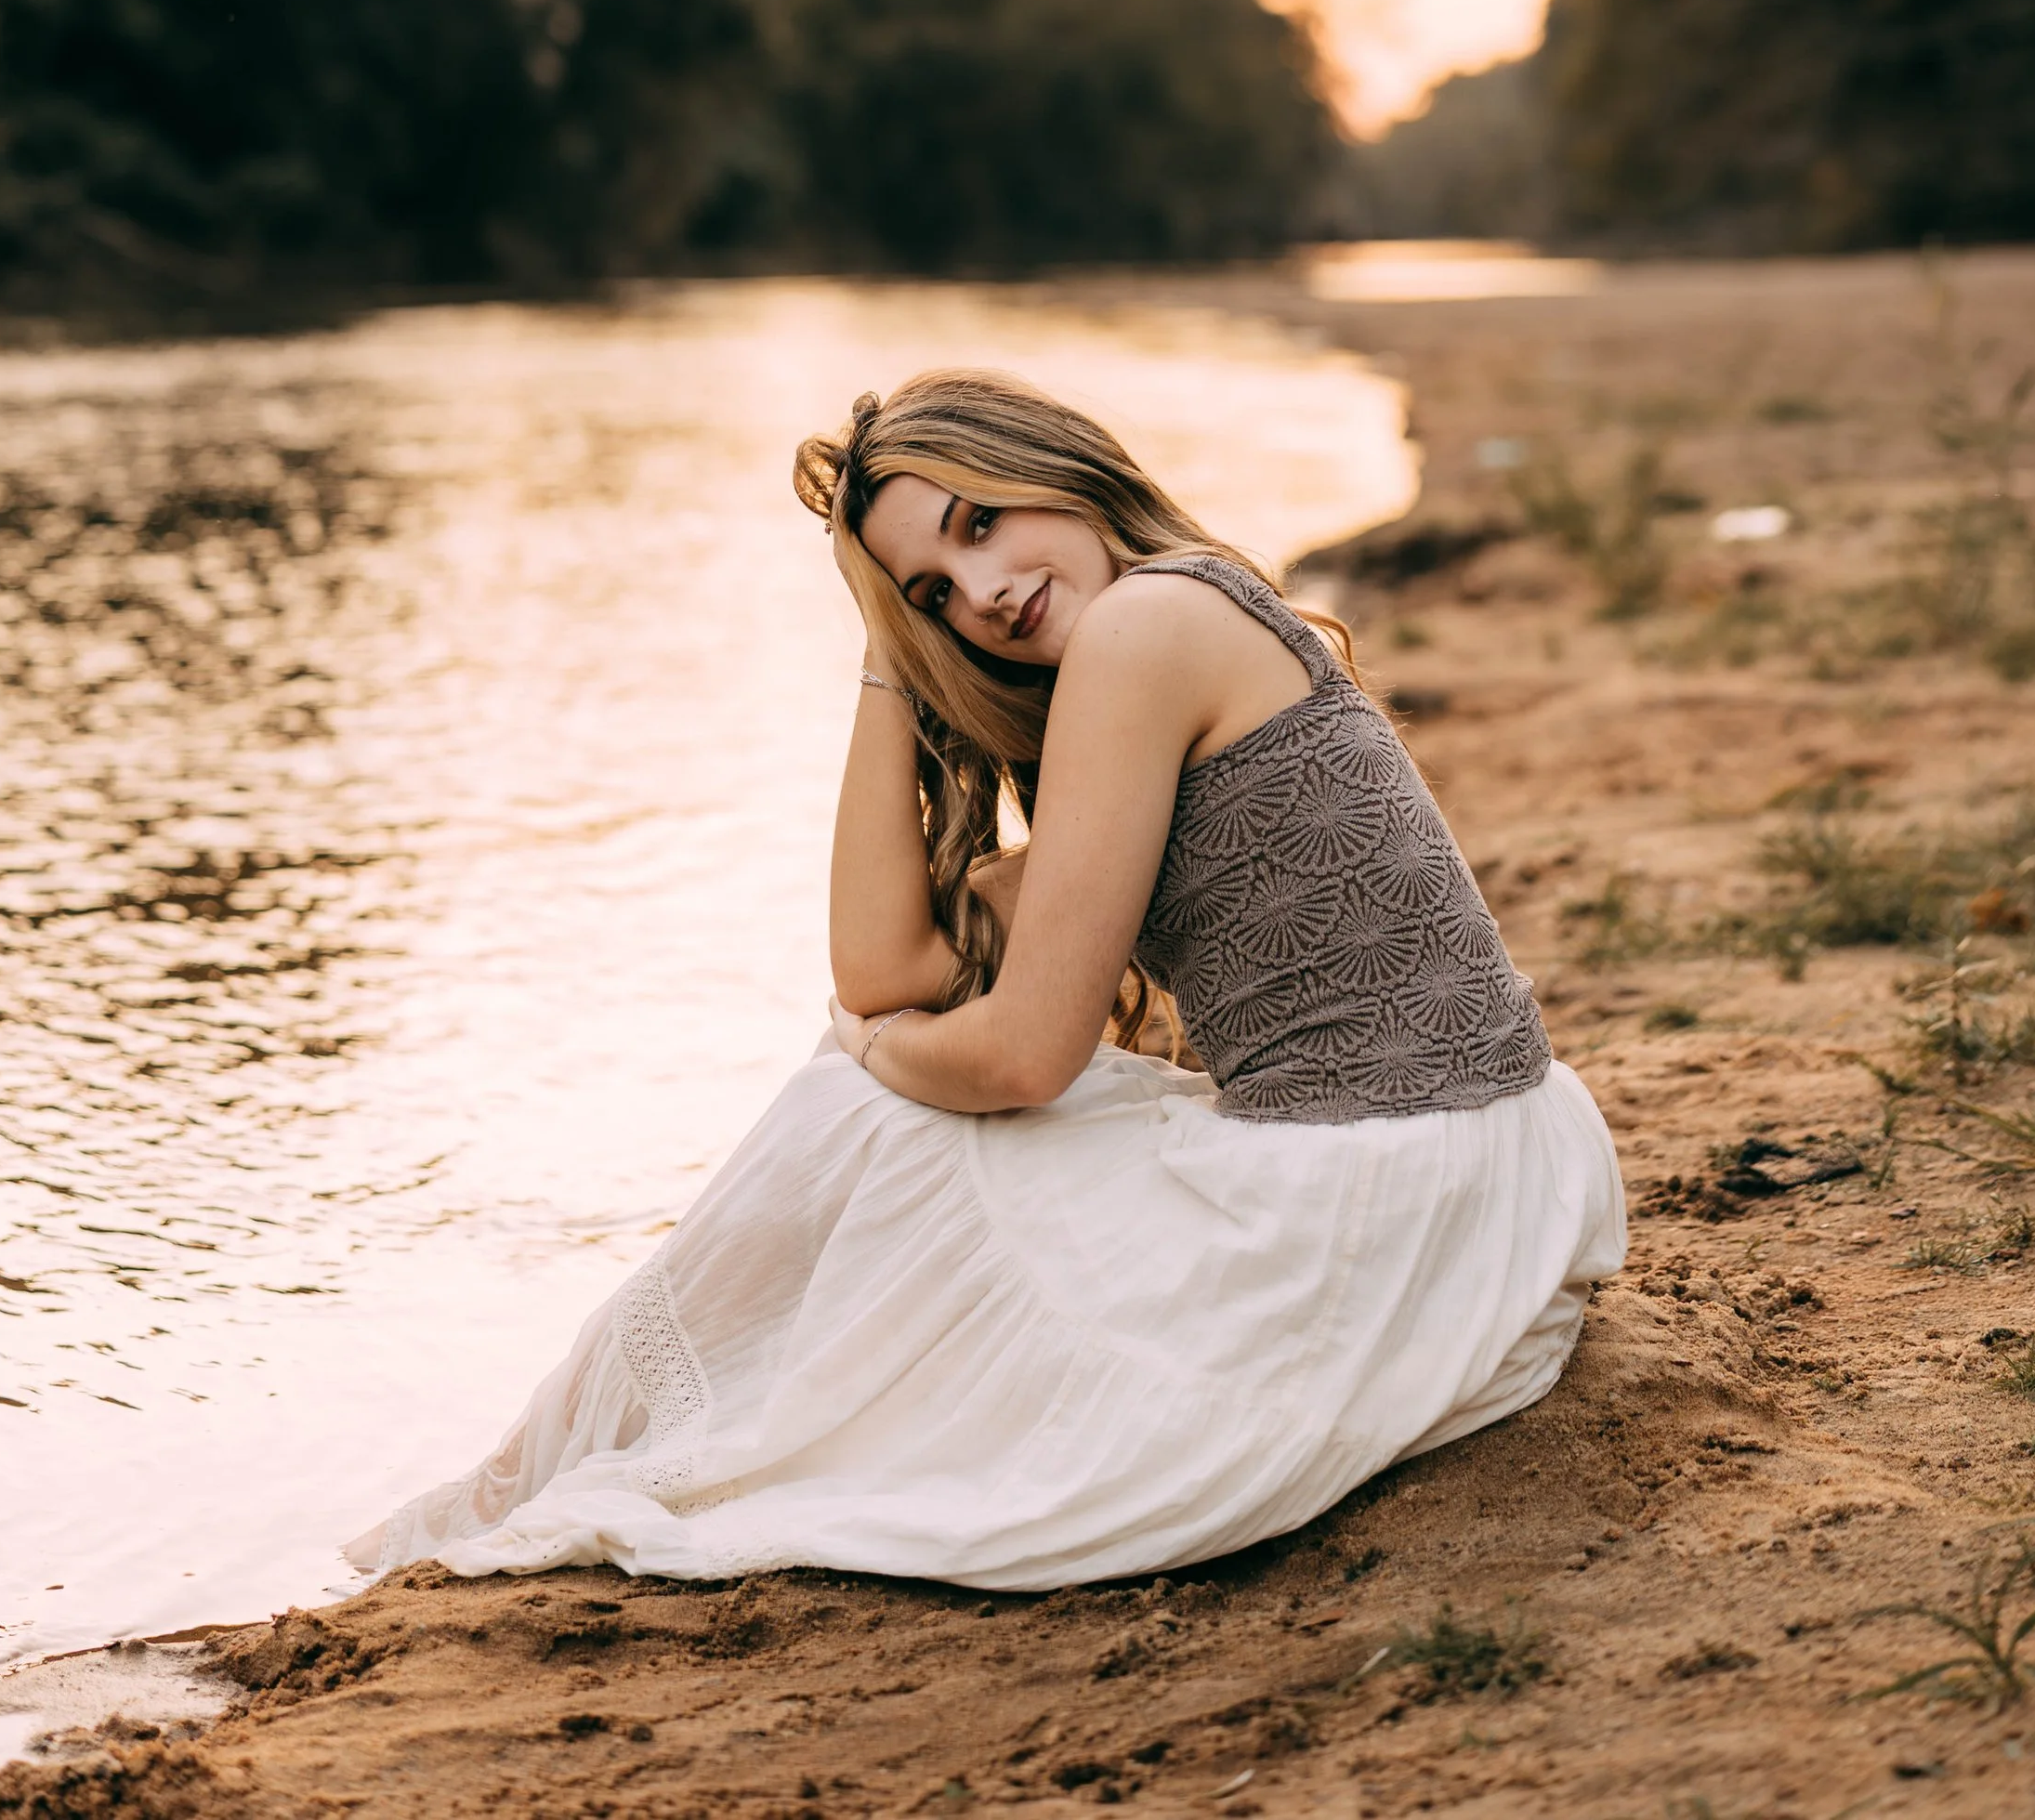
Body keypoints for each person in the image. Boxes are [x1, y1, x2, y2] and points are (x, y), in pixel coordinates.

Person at [347, 370, 1623, 1591]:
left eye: (981, 521)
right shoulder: (1176, 620)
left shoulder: (1146, 628)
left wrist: (876, 1052)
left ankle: (555, 1468)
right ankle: (580, 1459)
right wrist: (889, 652)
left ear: (1054, 467)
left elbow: (1015, 1055)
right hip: (1491, 1161)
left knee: (866, 1105)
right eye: (936, 587)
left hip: (1398, 1189)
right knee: (879, 1094)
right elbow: (885, 959)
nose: (986, 588)